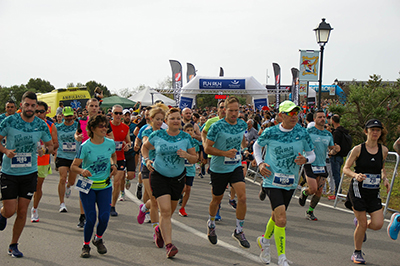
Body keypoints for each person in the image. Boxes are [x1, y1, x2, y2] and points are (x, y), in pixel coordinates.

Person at [253, 100, 315, 266]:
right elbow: (256, 146)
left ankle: (264, 241)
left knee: (276, 216)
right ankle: (282, 258)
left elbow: (312, 155)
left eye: (296, 113)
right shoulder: (271, 132)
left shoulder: (302, 133)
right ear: (281, 116)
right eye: (290, 113)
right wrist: (260, 163)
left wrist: (306, 159)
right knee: (281, 219)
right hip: (272, 179)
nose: (294, 116)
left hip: (290, 181)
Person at [0, 91, 54, 258]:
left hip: (30, 173)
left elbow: (51, 146)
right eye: (27, 104)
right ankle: (2, 214)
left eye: (33, 105)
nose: (30, 108)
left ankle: (13, 245)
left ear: (36, 106)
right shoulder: (9, 121)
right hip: (9, 172)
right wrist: (5, 150)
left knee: (22, 212)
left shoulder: (41, 125)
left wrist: (44, 149)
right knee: (10, 210)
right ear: (21, 105)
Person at [141, 108, 197, 258]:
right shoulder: (157, 134)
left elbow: (195, 158)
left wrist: (187, 155)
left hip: (178, 178)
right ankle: (169, 245)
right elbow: (144, 147)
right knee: (164, 211)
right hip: (159, 176)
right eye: (172, 118)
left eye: (178, 118)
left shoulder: (186, 137)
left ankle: (159, 230)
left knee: (169, 213)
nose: (176, 121)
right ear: (166, 121)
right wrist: (147, 160)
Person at [204, 96, 250, 249]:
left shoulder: (242, 124)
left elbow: (242, 139)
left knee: (242, 197)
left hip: (235, 165)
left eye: (237, 110)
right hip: (219, 168)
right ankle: (211, 223)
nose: (234, 113)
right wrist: (224, 153)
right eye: (231, 110)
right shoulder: (217, 126)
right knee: (216, 200)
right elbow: (207, 148)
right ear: (225, 110)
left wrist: (245, 149)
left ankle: (239, 230)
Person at [343, 119, 390, 264]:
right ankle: (356, 252)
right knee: (363, 224)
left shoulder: (384, 150)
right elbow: (346, 168)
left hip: (373, 191)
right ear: (366, 131)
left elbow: (380, 168)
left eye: (378, 130)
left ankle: (360, 226)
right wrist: (355, 175)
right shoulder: (358, 149)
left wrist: (385, 178)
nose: (375, 132)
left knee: (377, 224)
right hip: (358, 190)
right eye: (372, 129)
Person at [71, 115, 117, 258]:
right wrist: (82, 171)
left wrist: (114, 164)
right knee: (90, 218)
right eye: (101, 126)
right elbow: (73, 167)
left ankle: (98, 238)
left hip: (104, 185)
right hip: (87, 186)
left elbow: (113, 155)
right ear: (92, 129)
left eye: (106, 125)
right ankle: (86, 246)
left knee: (104, 217)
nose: (105, 128)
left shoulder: (110, 143)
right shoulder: (85, 146)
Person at [298, 111, 340, 221]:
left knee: (319, 191)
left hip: (322, 164)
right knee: (312, 189)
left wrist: (336, 149)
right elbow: (300, 144)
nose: (322, 119)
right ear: (315, 119)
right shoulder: (308, 132)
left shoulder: (328, 134)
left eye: (324, 117)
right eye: (319, 117)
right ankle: (304, 192)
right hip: (310, 163)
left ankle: (310, 211)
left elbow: (331, 149)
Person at [136, 104, 166, 247]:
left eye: (162, 119)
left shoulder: (165, 131)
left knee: (159, 200)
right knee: (154, 200)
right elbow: (147, 145)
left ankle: (143, 208)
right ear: (151, 119)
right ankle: (156, 231)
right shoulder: (147, 130)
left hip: (162, 168)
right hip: (148, 166)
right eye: (157, 119)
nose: (160, 122)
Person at [31, 101, 59, 222]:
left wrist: (46, 149)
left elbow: (56, 144)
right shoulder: (26, 123)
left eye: (41, 112)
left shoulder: (50, 125)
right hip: (27, 160)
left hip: (42, 161)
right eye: (36, 111)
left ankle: (34, 209)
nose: (39, 114)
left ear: (46, 112)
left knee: (37, 187)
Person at [55, 106, 81, 226]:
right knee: (62, 177)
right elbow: (55, 141)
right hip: (62, 155)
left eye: (71, 115)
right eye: (67, 116)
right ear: (63, 116)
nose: (69, 118)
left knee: (71, 181)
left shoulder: (78, 125)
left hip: (74, 157)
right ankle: (62, 203)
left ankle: (69, 187)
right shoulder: (57, 127)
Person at [201, 100, 226, 221]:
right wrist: (205, 145)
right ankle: (217, 207)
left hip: (229, 157)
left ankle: (230, 199)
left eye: (225, 107)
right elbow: (203, 133)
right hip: (214, 156)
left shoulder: (233, 122)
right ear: (217, 109)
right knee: (216, 185)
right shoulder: (211, 121)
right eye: (221, 107)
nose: (223, 110)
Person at [109, 105, 131, 216]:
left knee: (117, 182)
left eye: (120, 113)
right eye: (116, 113)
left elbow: (129, 142)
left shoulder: (125, 128)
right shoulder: (106, 126)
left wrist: (128, 145)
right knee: (105, 182)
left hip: (120, 158)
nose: (118, 115)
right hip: (107, 158)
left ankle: (112, 206)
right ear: (112, 114)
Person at [179, 123, 201, 217]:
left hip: (190, 168)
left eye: (191, 130)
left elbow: (196, 157)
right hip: (181, 168)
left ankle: (182, 208)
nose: (190, 132)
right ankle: (175, 197)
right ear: (184, 131)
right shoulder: (180, 141)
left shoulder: (195, 143)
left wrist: (194, 158)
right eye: (188, 130)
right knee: (182, 188)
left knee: (188, 189)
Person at [329, 114, 350, 200]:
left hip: (335, 156)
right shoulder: (343, 131)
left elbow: (335, 145)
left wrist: (331, 153)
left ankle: (338, 193)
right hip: (342, 156)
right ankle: (338, 192)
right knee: (338, 174)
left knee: (336, 175)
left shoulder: (336, 133)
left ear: (333, 121)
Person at [0, 100, 17, 165]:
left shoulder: (19, 118)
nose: (10, 109)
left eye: (12, 107)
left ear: (15, 108)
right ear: (5, 108)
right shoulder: (1, 118)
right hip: (2, 146)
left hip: (14, 146)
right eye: (8, 107)